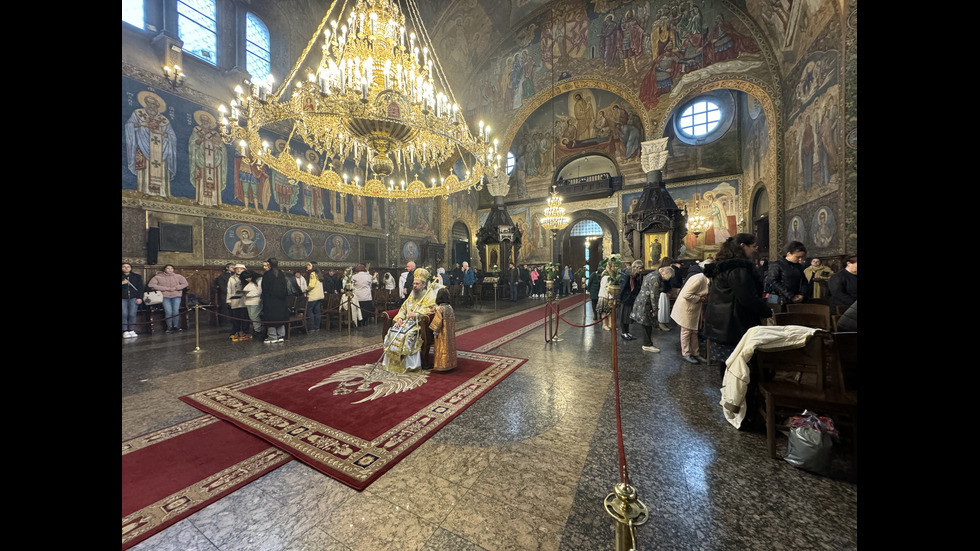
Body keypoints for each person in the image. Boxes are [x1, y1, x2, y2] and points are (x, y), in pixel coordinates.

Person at [702, 234, 773, 365]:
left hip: (721, 323)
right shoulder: (738, 269)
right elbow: (747, 298)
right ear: (742, 246)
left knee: (728, 365)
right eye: (753, 246)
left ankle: (727, 386)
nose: (755, 250)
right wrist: (766, 311)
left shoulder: (723, 266)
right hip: (733, 325)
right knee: (738, 366)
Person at [381, 268, 437, 373]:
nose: (414, 286)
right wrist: (400, 319)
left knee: (407, 335)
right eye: (414, 283)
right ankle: (393, 363)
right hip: (406, 322)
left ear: (424, 285)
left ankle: (408, 365)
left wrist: (417, 314)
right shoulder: (412, 294)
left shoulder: (430, 295)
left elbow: (431, 309)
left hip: (418, 323)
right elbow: (403, 308)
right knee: (393, 332)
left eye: (417, 284)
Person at [670, 261, 710, 364]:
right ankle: (686, 353)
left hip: (694, 308)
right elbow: (686, 294)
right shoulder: (698, 279)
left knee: (694, 331)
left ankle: (695, 353)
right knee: (686, 331)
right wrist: (699, 298)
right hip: (687, 307)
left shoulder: (703, 278)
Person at [631, 266, 669, 353]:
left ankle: (648, 343)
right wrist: (655, 309)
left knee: (646, 323)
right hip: (646, 303)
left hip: (643, 301)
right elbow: (654, 295)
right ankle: (647, 344)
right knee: (646, 323)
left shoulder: (652, 274)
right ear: (664, 274)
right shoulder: (655, 278)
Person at [765, 241, 809, 308]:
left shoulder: (799, 266)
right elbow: (773, 281)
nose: (800, 259)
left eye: (802, 257)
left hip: (798, 299)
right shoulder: (777, 265)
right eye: (797, 257)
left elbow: (803, 281)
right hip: (782, 299)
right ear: (788, 254)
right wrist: (791, 296)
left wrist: (801, 294)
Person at [148, 265, 188, 333]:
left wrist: (176, 288)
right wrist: (165, 288)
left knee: (175, 311)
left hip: (176, 296)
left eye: (171, 268)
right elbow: (151, 285)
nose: (170, 270)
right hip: (165, 296)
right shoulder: (158, 277)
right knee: (168, 312)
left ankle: (176, 326)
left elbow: (185, 284)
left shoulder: (178, 276)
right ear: (164, 269)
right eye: (168, 268)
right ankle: (169, 327)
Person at [260, 258, 290, 343]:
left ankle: (272, 336)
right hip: (281, 301)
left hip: (270, 301)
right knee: (280, 318)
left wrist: (263, 298)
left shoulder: (267, 274)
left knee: (271, 318)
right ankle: (281, 335)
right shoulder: (281, 274)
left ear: (269, 264)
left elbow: (264, 288)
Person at [428, 287, 458, 372]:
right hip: (449, 332)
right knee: (449, 348)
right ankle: (451, 364)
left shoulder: (440, 309)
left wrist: (434, 331)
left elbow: (437, 322)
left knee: (442, 348)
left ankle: (442, 365)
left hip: (442, 333)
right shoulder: (449, 307)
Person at [619, 260, 644, 340]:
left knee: (628, 316)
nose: (641, 271)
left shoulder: (634, 275)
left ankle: (627, 332)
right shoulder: (626, 275)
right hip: (625, 298)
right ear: (637, 267)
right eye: (640, 269)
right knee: (623, 316)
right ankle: (624, 333)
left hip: (630, 298)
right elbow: (622, 287)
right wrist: (620, 298)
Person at [227, 264, 250, 340]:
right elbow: (229, 290)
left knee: (244, 316)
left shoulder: (247, 278)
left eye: (241, 269)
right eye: (237, 269)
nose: (239, 270)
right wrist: (228, 300)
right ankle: (236, 331)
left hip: (244, 300)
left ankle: (245, 331)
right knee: (235, 317)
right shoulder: (231, 278)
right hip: (235, 300)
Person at [122, 262, 144, 338]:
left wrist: (140, 297)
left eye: (128, 267)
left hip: (133, 297)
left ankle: (131, 329)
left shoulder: (136, 276)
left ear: (131, 268)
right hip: (123, 298)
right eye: (124, 267)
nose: (126, 268)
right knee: (124, 314)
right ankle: (124, 330)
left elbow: (141, 288)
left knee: (132, 314)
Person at [242, 270, 263, 337]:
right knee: (251, 316)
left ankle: (258, 330)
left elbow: (259, 292)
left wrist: (247, 295)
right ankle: (256, 329)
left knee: (254, 316)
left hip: (256, 301)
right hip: (248, 301)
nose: (246, 279)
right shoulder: (250, 282)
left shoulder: (259, 280)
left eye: (247, 278)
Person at [597, 262, 616, 331]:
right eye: (613, 267)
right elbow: (606, 287)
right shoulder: (606, 277)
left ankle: (610, 324)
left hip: (609, 296)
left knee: (610, 312)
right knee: (604, 312)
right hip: (604, 296)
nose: (615, 268)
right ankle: (604, 324)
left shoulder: (611, 276)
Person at [214, 263, 234, 328]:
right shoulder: (222, 276)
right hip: (225, 294)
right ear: (227, 268)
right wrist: (229, 292)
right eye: (231, 267)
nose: (233, 268)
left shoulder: (235, 275)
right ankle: (225, 322)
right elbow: (221, 286)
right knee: (225, 308)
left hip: (234, 295)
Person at [305, 261, 323, 332]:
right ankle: (317, 327)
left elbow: (312, 285)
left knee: (310, 311)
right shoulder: (319, 274)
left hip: (313, 296)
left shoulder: (312, 274)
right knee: (317, 312)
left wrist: (306, 289)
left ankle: (311, 327)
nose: (307, 266)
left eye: (309, 265)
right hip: (319, 296)